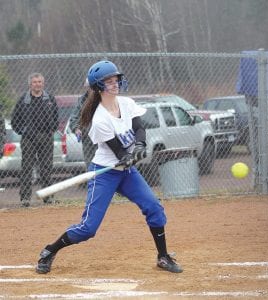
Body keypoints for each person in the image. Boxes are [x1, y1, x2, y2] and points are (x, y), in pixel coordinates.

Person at [35, 60, 183, 274]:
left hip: (126, 172)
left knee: (154, 208)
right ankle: (50, 250)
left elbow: (139, 128)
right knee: (88, 229)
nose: (115, 84)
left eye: (116, 80)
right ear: (98, 87)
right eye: (109, 81)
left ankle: (163, 256)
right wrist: (129, 156)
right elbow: (119, 151)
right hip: (105, 172)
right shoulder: (99, 119)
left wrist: (140, 145)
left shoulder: (127, 103)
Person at [11, 73, 59, 207]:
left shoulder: (50, 99)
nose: (37, 84)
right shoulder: (23, 100)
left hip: (46, 137)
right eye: (34, 82)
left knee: (46, 168)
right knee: (26, 168)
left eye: (39, 82)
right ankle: (25, 199)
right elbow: (15, 120)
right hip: (28, 139)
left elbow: (56, 117)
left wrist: (52, 129)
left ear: (43, 83)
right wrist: (24, 131)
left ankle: (48, 197)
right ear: (30, 84)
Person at [69, 79, 98, 168]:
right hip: (88, 139)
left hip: (103, 138)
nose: (91, 90)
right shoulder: (81, 101)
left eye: (94, 87)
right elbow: (74, 118)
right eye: (89, 87)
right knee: (91, 167)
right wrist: (76, 128)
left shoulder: (104, 99)